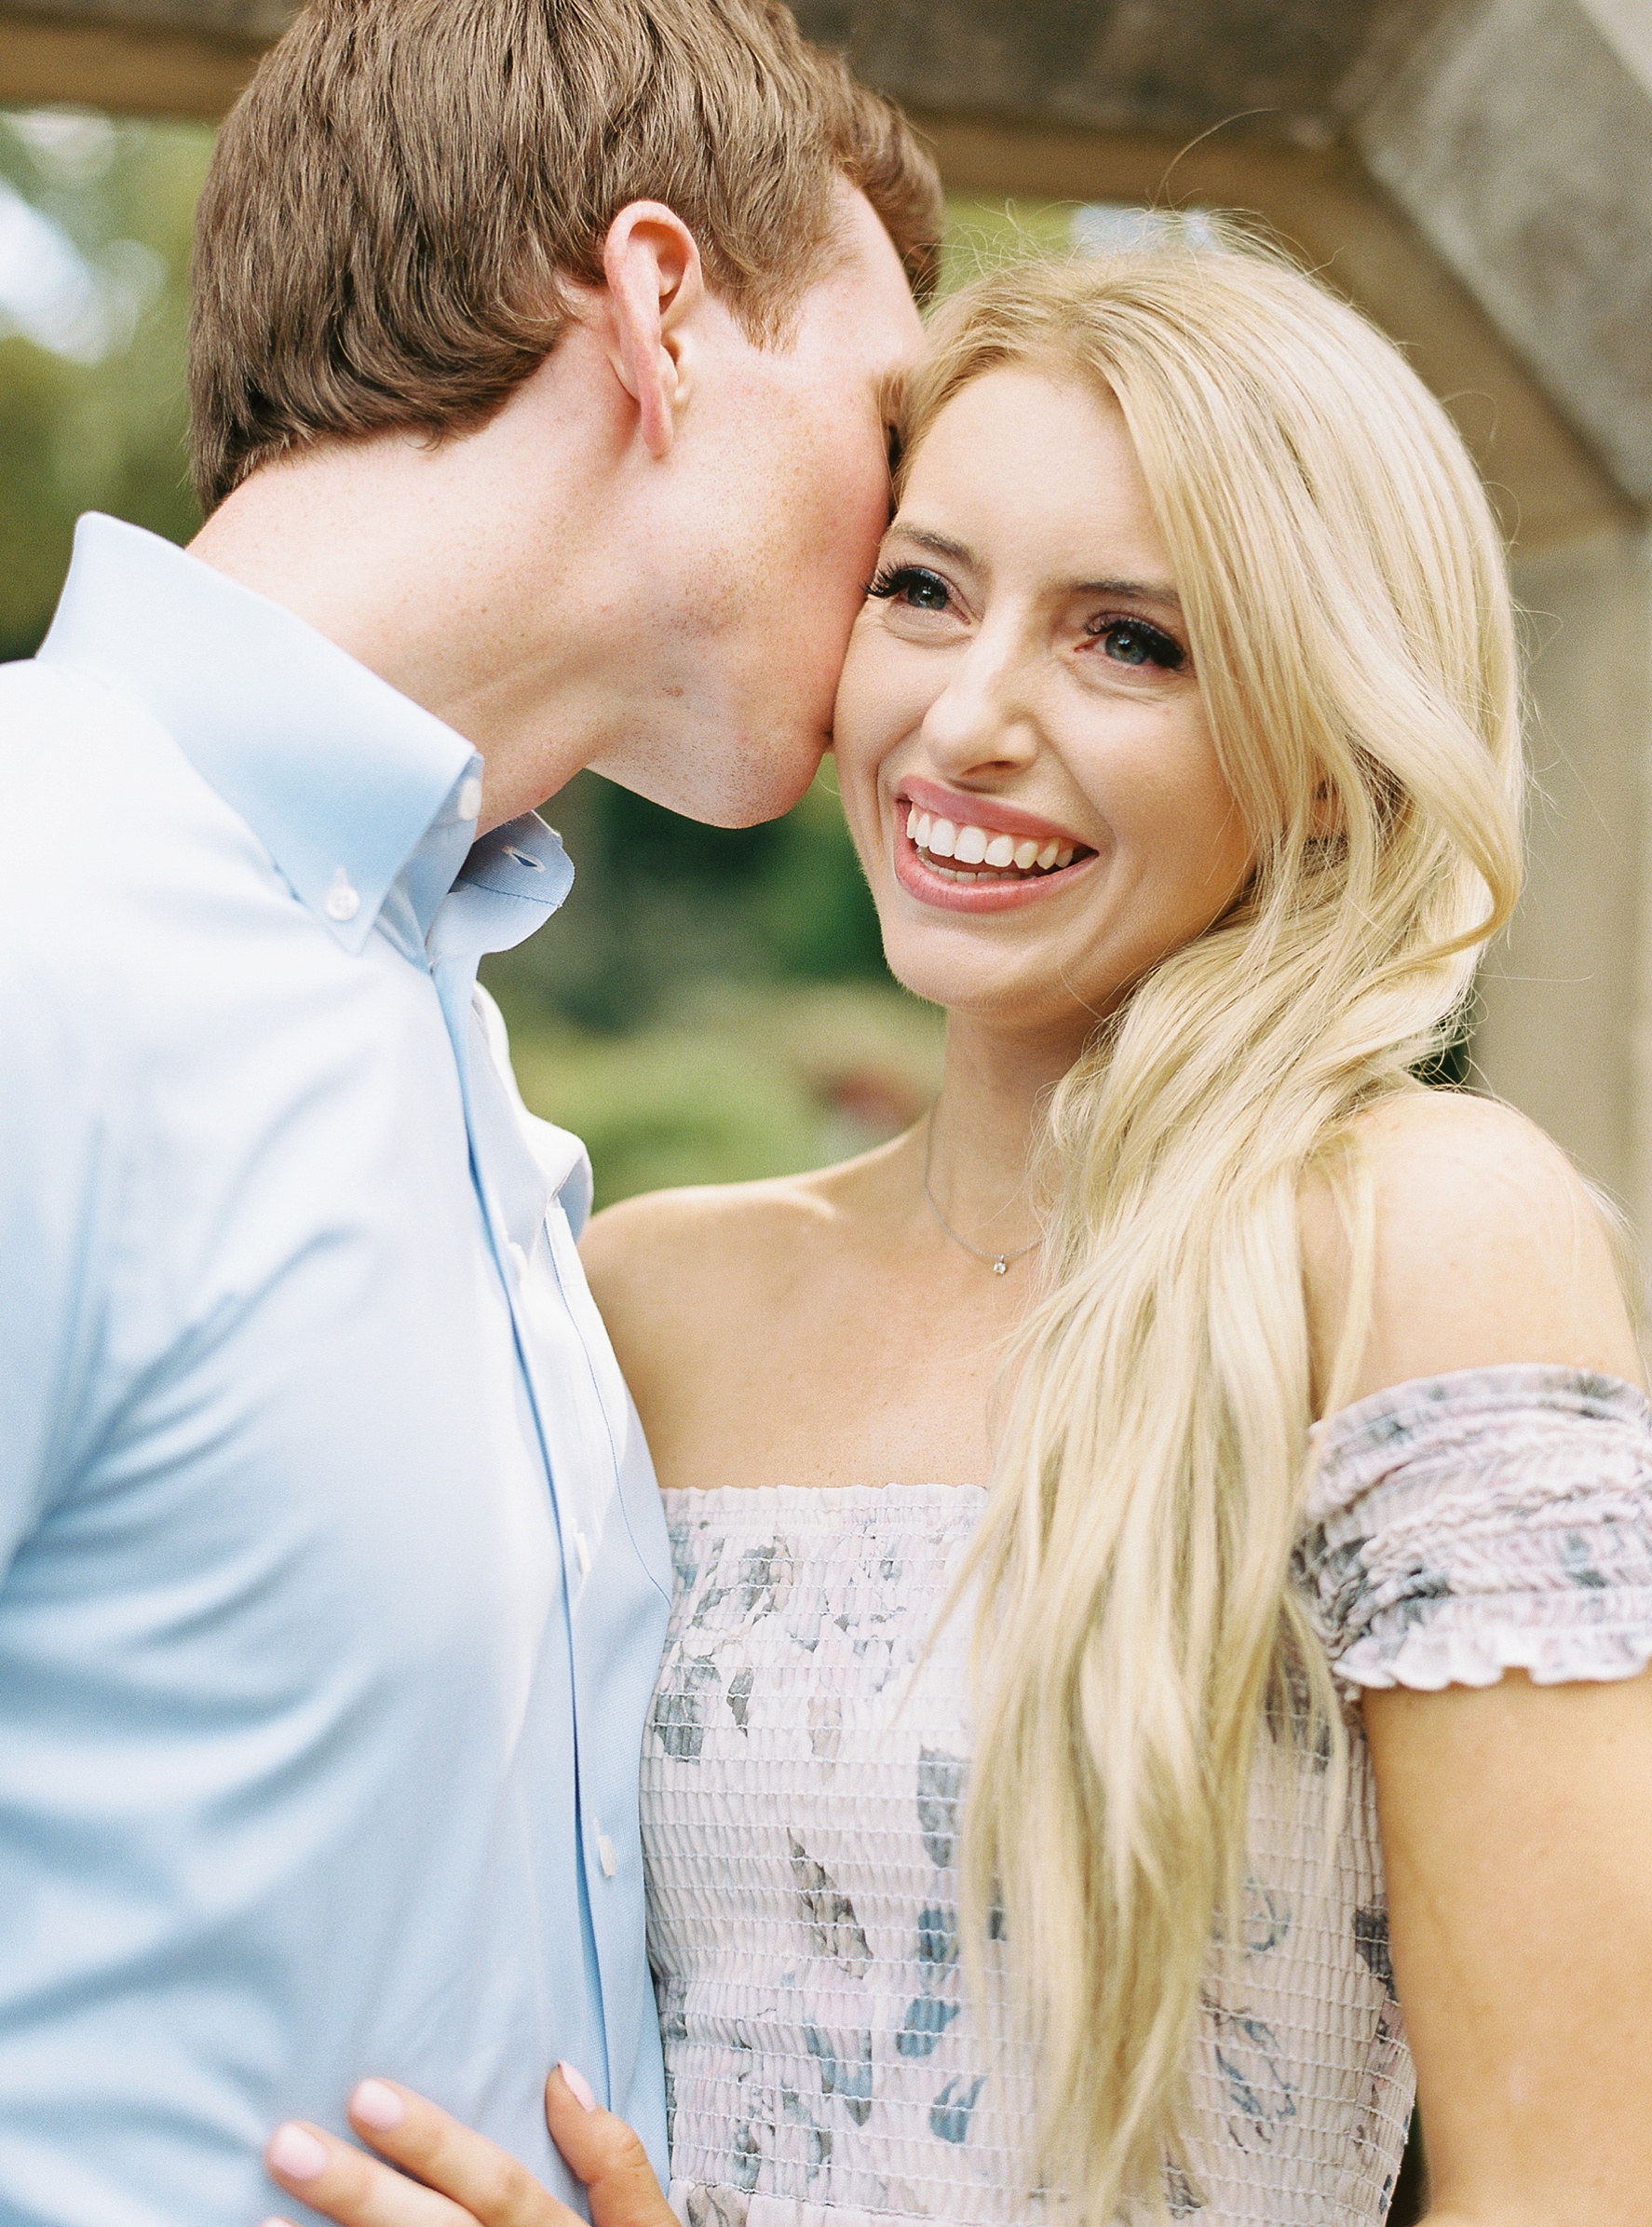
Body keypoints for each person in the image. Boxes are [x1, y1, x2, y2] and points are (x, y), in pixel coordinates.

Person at [273, 245, 1652, 2227]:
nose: (971, 718)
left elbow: (1589, 2186)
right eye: (923, 591)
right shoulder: (648, 1294)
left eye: (1134, 642)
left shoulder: (1407, 1234)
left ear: (1323, 742)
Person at [0, 0, 935, 2217]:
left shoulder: (456, 1067)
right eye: (892, 427)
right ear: (661, 306)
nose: (921, 545)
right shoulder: (41, 909)